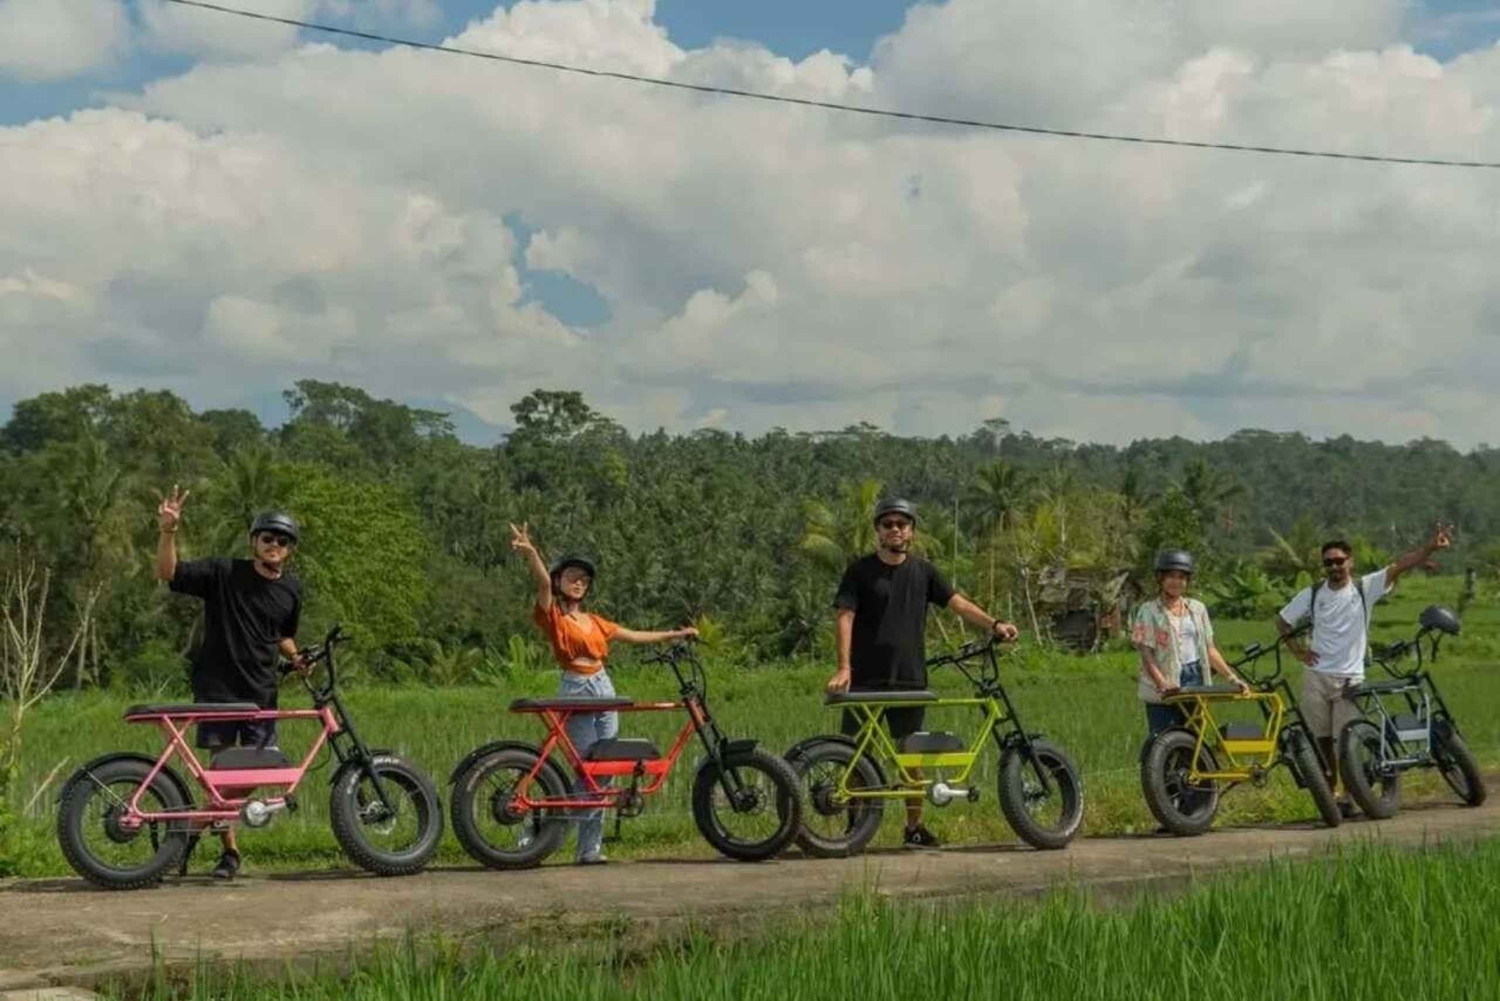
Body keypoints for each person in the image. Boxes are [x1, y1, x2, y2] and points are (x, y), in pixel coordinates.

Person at [824, 497, 1020, 848]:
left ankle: (913, 828)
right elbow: (845, 616)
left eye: (902, 523)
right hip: (864, 679)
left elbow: (957, 603)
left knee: (910, 757)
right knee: (853, 754)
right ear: (878, 531)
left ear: (911, 531)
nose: (895, 529)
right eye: (888, 524)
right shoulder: (859, 571)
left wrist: (994, 624)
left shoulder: (924, 572)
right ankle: (853, 830)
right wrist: (843, 668)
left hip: (909, 678)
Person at [509, 522, 698, 865]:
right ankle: (543, 835)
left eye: (584, 578)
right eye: (571, 576)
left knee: (606, 768)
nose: (578, 581)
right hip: (576, 688)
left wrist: (675, 633)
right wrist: (531, 552)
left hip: (603, 686)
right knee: (586, 769)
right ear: (558, 581)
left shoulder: (596, 622)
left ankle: (589, 849)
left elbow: (633, 635)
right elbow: (539, 581)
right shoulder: (552, 615)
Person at [155, 485, 306, 880]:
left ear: (291, 549)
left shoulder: (291, 590)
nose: (275, 545)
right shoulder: (224, 572)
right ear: (254, 541)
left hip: (262, 694)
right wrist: (168, 531)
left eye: (283, 540)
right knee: (222, 776)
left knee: (254, 775)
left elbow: (282, 634)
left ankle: (190, 829)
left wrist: (297, 658)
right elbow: (168, 572)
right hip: (219, 692)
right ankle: (229, 855)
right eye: (268, 537)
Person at [1277, 524, 1452, 816]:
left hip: (1349, 677)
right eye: (1328, 562)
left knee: (1347, 739)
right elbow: (1282, 622)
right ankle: (1331, 790)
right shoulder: (1312, 594)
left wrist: (1429, 549)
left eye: (1339, 561)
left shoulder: (1364, 588)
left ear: (1350, 561)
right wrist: (1299, 651)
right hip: (1316, 676)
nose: (1334, 566)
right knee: (1320, 737)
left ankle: (1350, 791)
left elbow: (1399, 566)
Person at [1133, 549, 1249, 738]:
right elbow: (1146, 654)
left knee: (1194, 737)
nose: (1176, 582)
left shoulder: (1197, 609)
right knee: (1162, 738)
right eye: (1171, 576)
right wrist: (1163, 683)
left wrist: (1232, 678)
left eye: (1181, 577)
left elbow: (1210, 650)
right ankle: (1155, 768)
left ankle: (1192, 768)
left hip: (1195, 675)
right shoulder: (1149, 611)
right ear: (1160, 578)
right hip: (1165, 676)